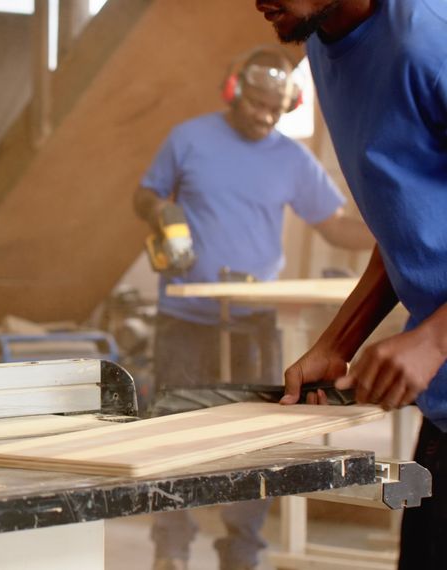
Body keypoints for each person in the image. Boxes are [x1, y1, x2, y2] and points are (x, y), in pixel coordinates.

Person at [134, 46, 375, 570]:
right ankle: (170, 551)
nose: (264, 116)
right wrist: (161, 213)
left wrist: (392, 229)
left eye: (274, 108)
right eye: (256, 104)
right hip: (184, 319)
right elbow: (145, 195)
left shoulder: (291, 160)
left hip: (254, 323)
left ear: (287, 105)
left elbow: (332, 225)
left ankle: (242, 554)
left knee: (256, 439)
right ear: (233, 90)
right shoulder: (189, 138)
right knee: (172, 434)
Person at [252, 0, 447, 567]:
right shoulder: (323, 42)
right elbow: (410, 221)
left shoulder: (428, 44)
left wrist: (433, 339)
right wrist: (339, 341)